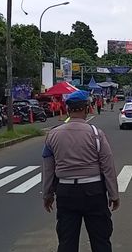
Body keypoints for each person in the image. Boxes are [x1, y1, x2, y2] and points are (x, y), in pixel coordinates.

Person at [42, 90, 120, 252]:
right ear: (86, 108)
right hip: (94, 192)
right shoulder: (96, 134)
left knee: (67, 242)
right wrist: (114, 194)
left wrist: (47, 194)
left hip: (66, 193)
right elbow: (108, 166)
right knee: (101, 241)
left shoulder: (52, 135)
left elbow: (48, 169)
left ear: (67, 109)